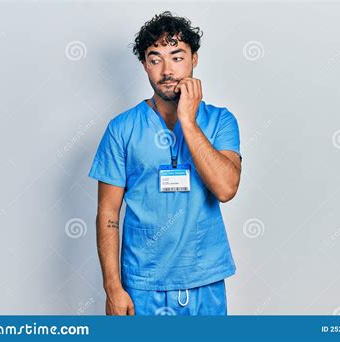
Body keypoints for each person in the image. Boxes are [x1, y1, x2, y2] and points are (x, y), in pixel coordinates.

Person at [89, 11, 242, 316]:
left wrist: (188, 120)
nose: (167, 70)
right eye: (155, 58)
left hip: (204, 281)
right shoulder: (122, 128)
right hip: (142, 286)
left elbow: (226, 188)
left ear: (194, 59)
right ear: (145, 65)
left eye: (177, 56)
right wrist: (112, 288)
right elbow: (108, 212)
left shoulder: (221, 121)